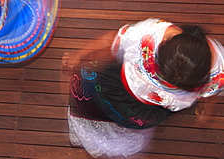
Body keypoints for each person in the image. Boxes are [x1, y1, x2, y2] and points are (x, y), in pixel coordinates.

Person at [62, 18, 223, 158]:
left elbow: (210, 96)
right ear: (163, 44)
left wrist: (206, 113)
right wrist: (80, 54)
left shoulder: (218, 72)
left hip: (148, 108)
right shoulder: (148, 33)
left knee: (117, 123)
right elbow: (111, 40)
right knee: (93, 109)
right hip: (116, 86)